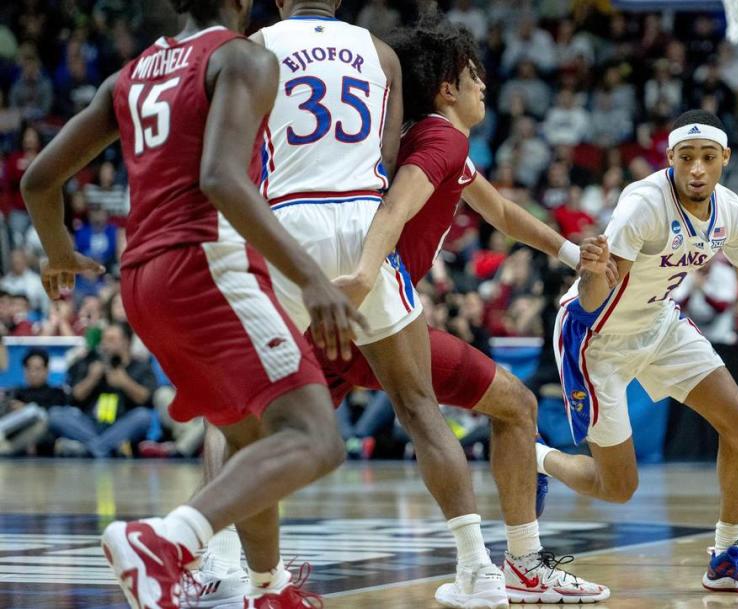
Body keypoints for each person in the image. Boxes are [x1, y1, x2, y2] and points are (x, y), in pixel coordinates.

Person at [20, 0, 360, 607]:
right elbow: (221, 179)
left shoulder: (129, 75)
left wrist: (59, 253)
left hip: (142, 281)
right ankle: (166, 541)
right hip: (206, 265)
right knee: (315, 436)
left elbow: (39, 179)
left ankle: (267, 588)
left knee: (254, 440)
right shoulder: (241, 57)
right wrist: (312, 278)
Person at [196, 3, 508, 608]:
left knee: (234, 407)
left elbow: (227, 150)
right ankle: (479, 568)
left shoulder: (254, 43)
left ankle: (228, 562)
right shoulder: (381, 53)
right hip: (363, 220)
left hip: (286, 220)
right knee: (419, 407)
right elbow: (387, 156)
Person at [330, 21, 610, 605]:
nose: (484, 84)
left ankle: (203, 553)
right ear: (446, 89)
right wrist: (366, 276)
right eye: (473, 75)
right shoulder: (442, 141)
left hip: (343, 316)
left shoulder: (433, 140)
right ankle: (517, 565)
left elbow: (502, 214)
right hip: (376, 318)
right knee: (515, 406)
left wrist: (567, 251)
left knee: (266, 435)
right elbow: (400, 204)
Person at [538, 110, 738, 594]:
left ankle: (726, 556)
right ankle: (535, 457)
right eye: (686, 158)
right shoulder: (643, 205)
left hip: (659, 322)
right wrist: (591, 271)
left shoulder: (733, 212)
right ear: (670, 159)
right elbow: (594, 300)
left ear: (725, 159)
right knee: (619, 488)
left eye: (707, 158)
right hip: (596, 338)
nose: (696, 168)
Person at [50, 322, 157, 458]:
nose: (105, 344)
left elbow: (147, 398)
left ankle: (88, 449)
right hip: (89, 424)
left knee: (143, 417)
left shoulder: (141, 366)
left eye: (111, 339)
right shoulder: (91, 363)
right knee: (56, 415)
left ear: (126, 342)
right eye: (104, 339)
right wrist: (91, 379)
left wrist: (125, 382)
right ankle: (105, 447)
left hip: (121, 425)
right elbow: (74, 397)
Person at [0, 348, 66, 456]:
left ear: (46, 370)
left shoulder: (57, 393)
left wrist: (26, 409)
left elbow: (54, 419)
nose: (33, 373)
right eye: (29, 369)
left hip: (41, 435)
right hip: (13, 432)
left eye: (37, 369)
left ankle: (7, 449)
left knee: (42, 424)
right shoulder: (16, 393)